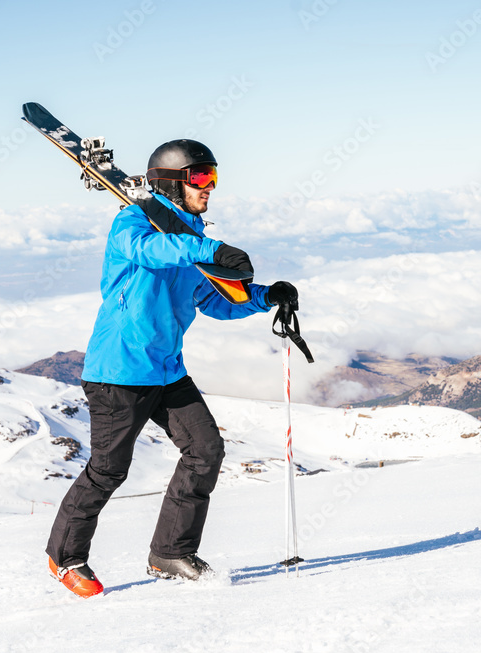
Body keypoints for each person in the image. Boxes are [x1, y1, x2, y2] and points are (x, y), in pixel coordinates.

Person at [46, 138, 300, 598]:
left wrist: (267, 297)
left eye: (213, 177)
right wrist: (211, 248)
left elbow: (213, 301)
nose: (210, 187)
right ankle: (65, 557)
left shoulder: (191, 237)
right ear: (172, 182)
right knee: (108, 469)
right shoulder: (132, 223)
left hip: (166, 370)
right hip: (118, 373)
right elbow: (150, 251)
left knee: (205, 451)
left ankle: (170, 551)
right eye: (201, 177)